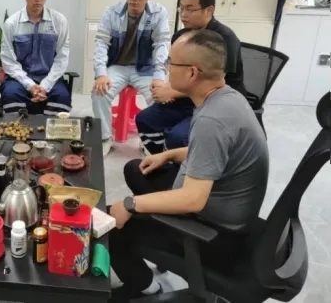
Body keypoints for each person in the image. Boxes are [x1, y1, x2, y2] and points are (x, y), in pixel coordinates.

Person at [108, 29, 269, 301]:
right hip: (222, 205)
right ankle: (148, 231)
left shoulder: (211, 121)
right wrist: (169, 155)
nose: (166, 68)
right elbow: (217, 152)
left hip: (212, 232)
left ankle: (144, 286)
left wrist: (130, 205)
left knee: (112, 226)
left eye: (171, 63)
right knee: (136, 169)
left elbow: (193, 199)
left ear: (192, 73)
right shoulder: (227, 97)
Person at [136, 0, 247, 155]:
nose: (183, 14)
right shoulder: (182, 36)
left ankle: (181, 163)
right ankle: (163, 159)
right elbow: (178, 69)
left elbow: (216, 84)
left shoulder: (225, 39)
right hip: (188, 100)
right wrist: (165, 87)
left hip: (215, 102)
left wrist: (173, 92)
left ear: (209, 11)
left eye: (190, 9)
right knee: (145, 119)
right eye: (181, 8)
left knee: (178, 137)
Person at [91, 0, 171, 155]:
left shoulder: (159, 13)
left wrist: (159, 76)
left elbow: (161, 44)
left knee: (160, 97)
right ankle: (105, 137)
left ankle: (150, 139)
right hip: (118, 66)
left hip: (145, 68)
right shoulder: (111, 12)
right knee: (99, 93)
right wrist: (101, 73)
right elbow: (101, 43)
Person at [0, 0, 71, 115]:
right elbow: (8, 61)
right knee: (11, 96)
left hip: (50, 77)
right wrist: (30, 85)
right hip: (19, 79)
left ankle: (50, 131)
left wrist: (45, 85)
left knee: (62, 97)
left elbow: (61, 59)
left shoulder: (59, 22)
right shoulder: (11, 24)